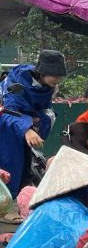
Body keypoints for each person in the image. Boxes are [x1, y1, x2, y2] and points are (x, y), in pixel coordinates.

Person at [0, 50, 65, 225]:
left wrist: (38, 121)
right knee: (7, 165)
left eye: (60, 76)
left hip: (26, 131)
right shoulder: (17, 82)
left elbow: (45, 110)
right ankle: (4, 208)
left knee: (25, 168)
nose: (57, 80)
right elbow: (7, 112)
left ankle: (23, 202)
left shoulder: (46, 88)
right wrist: (27, 127)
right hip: (7, 130)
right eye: (54, 75)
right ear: (42, 70)